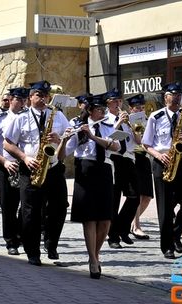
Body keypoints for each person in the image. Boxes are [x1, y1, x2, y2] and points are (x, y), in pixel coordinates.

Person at [3, 80, 71, 266]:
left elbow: (67, 141)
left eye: (46, 96)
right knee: (30, 212)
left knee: (59, 208)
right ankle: (32, 252)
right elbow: (7, 143)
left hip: (53, 167)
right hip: (30, 168)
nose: (43, 99)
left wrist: (60, 139)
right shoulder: (21, 117)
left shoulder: (57, 116)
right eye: (39, 95)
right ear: (30, 97)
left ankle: (51, 243)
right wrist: (24, 158)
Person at [64, 93, 120, 279]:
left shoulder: (108, 124)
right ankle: (93, 260)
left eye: (104, 109)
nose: (102, 112)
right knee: (90, 218)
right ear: (89, 110)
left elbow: (116, 146)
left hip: (104, 169)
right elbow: (66, 152)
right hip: (86, 170)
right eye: (98, 110)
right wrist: (64, 138)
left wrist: (93, 136)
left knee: (105, 219)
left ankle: (95, 254)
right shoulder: (77, 125)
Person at [141, 82, 182, 259]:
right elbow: (146, 144)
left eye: (178, 95)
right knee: (165, 207)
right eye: (172, 95)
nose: (176, 98)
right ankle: (167, 246)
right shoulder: (156, 116)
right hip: (162, 160)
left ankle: (175, 234)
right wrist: (158, 156)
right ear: (165, 97)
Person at [0, 87, 27, 255]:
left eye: (24, 100)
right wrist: (5, 161)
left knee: (27, 204)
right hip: (5, 166)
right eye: (18, 99)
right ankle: (11, 241)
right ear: (10, 100)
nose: (22, 103)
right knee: (8, 206)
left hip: (25, 165)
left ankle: (21, 234)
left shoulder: (29, 118)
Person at [103, 88, 141, 249]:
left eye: (119, 101)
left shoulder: (127, 119)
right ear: (108, 103)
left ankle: (122, 228)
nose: (118, 104)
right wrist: (118, 123)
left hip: (129, 158)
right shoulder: (105, 119)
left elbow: (138, 141)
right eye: (115, 101)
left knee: (134, 197)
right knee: (114, 199)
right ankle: (113, 236)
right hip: (114, 159)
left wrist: (132, 126)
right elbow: (107, 139)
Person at [128, 94, 154, 240]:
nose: (141, 110)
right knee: (137, 194)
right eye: (138, 108)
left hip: (144, 157)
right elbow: (138, 141)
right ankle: (136, 226)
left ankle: (131, 221)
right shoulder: (128, 121)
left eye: (143, 108)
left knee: (147, 196)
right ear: (131, 109)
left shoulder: (148, 120)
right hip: (133, 157)